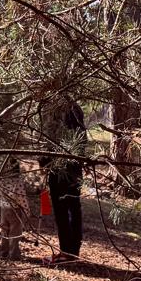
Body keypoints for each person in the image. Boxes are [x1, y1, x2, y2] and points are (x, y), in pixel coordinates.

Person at [43, 98, 87, 261]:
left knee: (63, 209)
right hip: (74, 168)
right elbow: (82, 140)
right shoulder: (76, 108)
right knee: (74, 208)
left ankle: (67, 251)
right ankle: (72, 251)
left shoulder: (56, 109)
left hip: (60, 169)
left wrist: (44, 161)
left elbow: (50, 139)